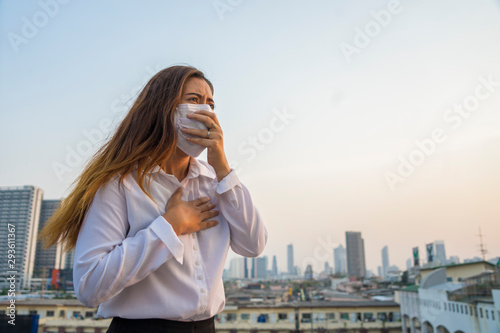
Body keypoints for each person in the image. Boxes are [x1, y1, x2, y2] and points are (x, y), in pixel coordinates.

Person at [39, 65, 268, 333]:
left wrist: (223, 168)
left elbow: (253, 245)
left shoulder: (216, 182)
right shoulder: (120, 183)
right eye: (194, 100)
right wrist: (170, 226)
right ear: (163, 108)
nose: (205, 111)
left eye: (210, 104)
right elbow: (89, 286)